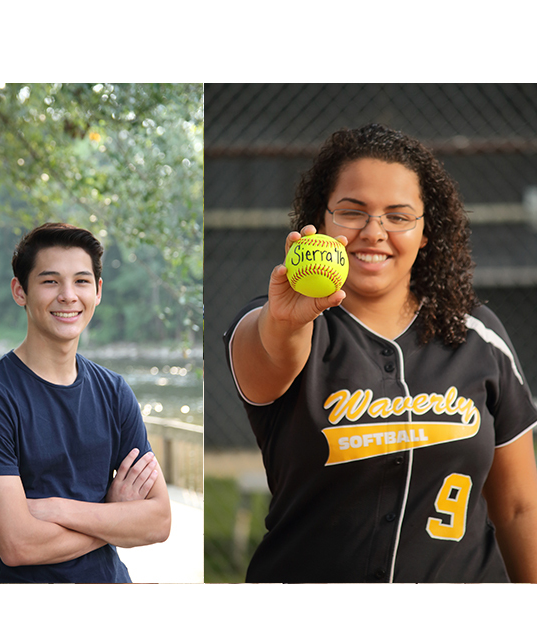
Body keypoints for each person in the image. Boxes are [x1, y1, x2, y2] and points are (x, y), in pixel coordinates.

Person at [223, 123, 537, 583]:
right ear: (321, 222)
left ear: (426, 231)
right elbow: (270, 358)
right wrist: (284, 321)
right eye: (352, 212)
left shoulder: (478, 335)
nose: (374, 232)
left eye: (399, 215)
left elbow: (517, 507)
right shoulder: (282, 321)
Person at [0, 222, 171, 583]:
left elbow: (159, 520)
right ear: (20, 291)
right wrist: (112, 516)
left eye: (82, 281)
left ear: (98, 291)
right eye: (50, 281)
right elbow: (17, 545)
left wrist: (56, 509)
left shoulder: (115, 392)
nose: (68, 295)